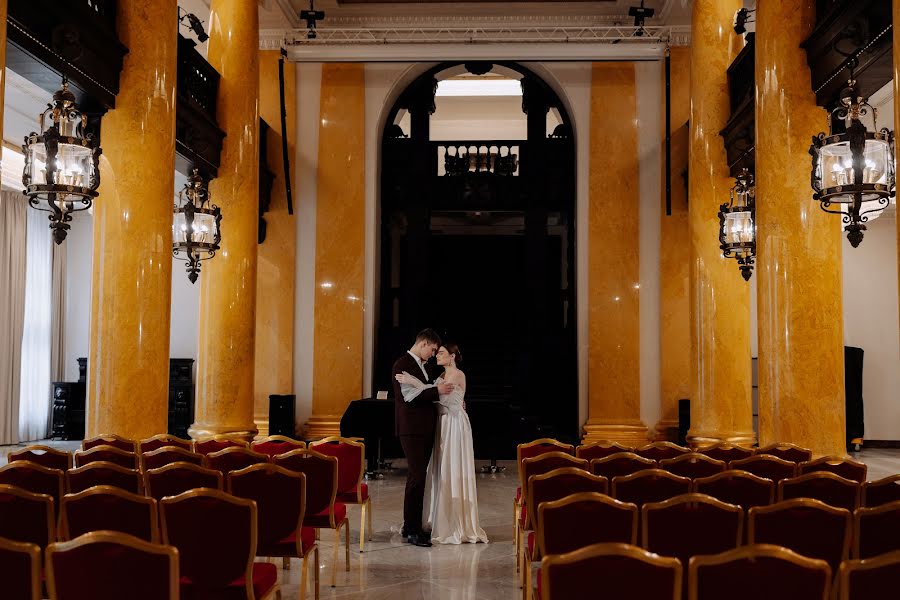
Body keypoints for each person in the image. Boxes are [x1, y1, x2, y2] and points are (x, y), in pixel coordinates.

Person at [396, 343, 488, 544]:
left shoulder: (456, 375)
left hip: (454, 425)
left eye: (442, 353)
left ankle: (454, 523)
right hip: (442, 425)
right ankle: (436, 519)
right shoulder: (439, 376)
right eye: (436, 352)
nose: (437, 355)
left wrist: (414, 382)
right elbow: (433, 393)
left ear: (452, 356)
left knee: (452, 470)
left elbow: (441, 398)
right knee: (439, 471)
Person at [392, 328, 453, 548]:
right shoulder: (402, 364)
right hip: (412, 429)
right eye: (433, 349)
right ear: (424, 343)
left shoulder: (422, 367)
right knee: (416, 477)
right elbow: (409, 398)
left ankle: (411, 526)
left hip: (424, 428)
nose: (433, 354)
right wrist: (438, 391)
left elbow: (424, 391)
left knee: (419, 478)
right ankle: (412, 530)